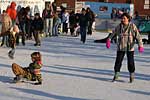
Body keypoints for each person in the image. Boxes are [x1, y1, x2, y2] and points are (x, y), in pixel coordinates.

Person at [106, 13, 144, 83]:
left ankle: (131, 74)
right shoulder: (119, 27)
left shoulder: (132, 26)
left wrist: (140, 45)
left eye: (124, 18)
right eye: (122, 18)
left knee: (131, 63)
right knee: (118, 62)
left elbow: (138, 37)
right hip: (121, 47)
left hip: (130, 47)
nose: (123, 20)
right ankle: (116, 74)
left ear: (128, 19)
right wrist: (109, 39)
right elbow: (113, 33)